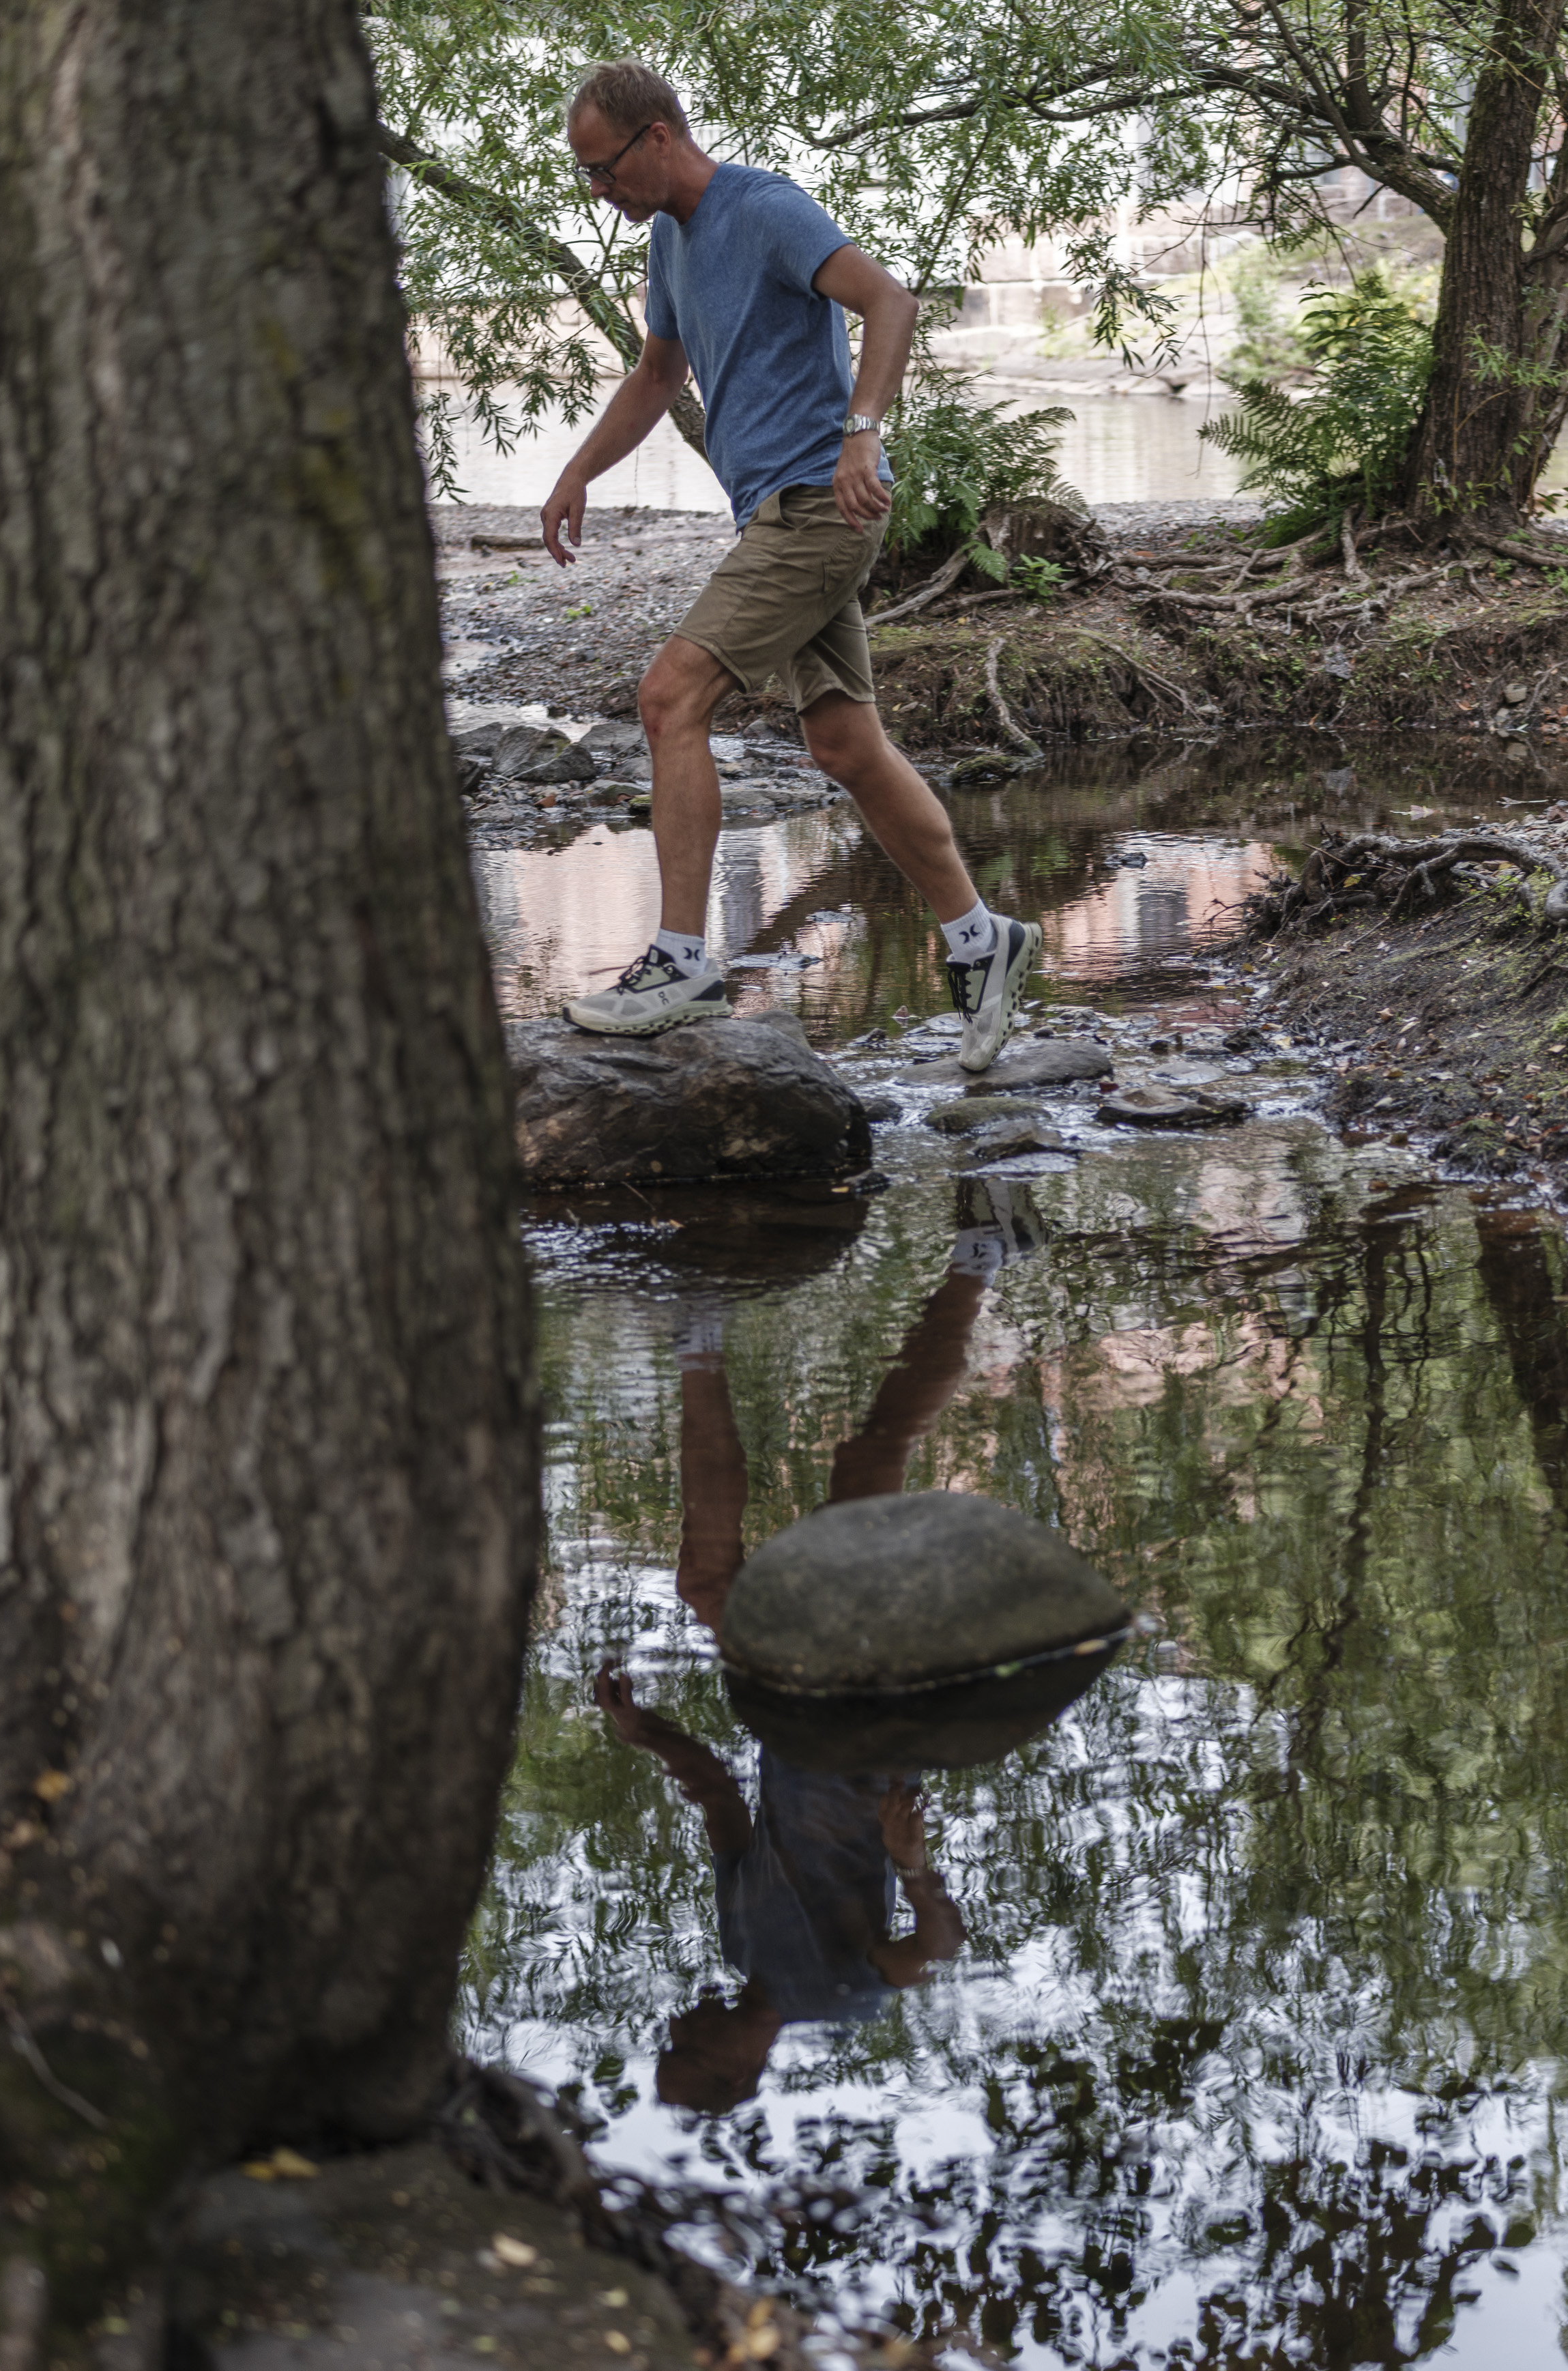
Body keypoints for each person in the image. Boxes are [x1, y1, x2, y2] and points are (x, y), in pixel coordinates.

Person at [538, 61, 1039, 1072]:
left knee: (669, 699)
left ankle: (681, 962)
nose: (601, 193)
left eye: (603, 170)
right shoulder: (672, 243)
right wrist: (575, 472)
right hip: (774, 512)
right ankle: (982, 938)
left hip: (820, 506)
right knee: (846, 747)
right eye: (586, 177)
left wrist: (864, 431)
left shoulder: (763, 209)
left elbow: (889, 301)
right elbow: (657, 372)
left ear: (659, 137)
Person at [600, 1181, 1044, 2111]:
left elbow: (721, 1797)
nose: (677, 2025)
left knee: (727, 1571)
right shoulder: (836, 2002)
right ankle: (972, 1266)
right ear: (736, 2068)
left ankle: (703, 1334)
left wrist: (650, 1736)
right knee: (859, 1478)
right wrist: (915, 1868)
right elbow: (937, 1948)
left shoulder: (738, 1948)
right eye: (688, 2048)